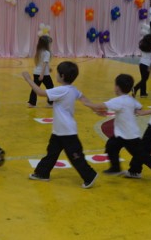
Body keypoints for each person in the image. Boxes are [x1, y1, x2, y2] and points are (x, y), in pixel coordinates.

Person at [22, 61, 98, 189]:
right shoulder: (73, 89)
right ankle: (42, 173)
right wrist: (95, 108)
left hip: (67, 131)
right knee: (52, 152)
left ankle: (89, 175)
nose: (56, 75)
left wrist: (29, 79)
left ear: (62, 76)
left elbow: (40, 93)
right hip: (59, 130)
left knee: (75, 156)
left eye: (57, 73)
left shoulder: (61, 90)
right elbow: (84, 99)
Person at [84, 74, 151, 183]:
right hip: (121, 134)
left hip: (129, 136)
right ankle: (116, 168)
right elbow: (139, 106)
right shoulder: (129, 99)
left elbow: (99, 106)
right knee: (111, 145)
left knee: (142, 156)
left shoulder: (119, 101)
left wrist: (87, 103)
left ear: (117, 87)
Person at [27, 35, 54, 108]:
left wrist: (49, 68)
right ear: (46, 44)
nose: (51, 44)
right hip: (43, 74)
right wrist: (42, 74)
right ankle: (50, 103)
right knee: (51, 87)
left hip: (36, 72)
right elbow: (44, 64)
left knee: (35, 88)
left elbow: (42, 63)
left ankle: (31, 103)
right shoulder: (47, 53)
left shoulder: (39, 51)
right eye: (50, 43)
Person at [133, 34, 151, 98]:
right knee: (144, 79)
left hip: (141, 64)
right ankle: (135, 88)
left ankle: (143, 93)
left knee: (143, 78)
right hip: (147, 65)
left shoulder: (143, 47)